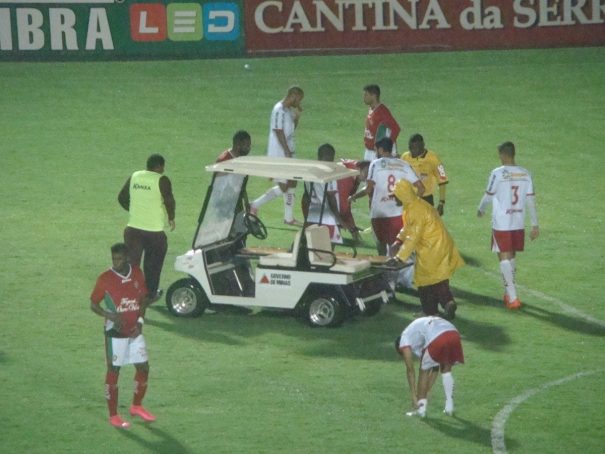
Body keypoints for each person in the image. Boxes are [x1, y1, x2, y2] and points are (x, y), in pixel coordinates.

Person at [90, 243, 155, 429]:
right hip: (115, 332)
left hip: (134, 331)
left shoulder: (137, 273)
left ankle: (136, 406)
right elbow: (93, 304)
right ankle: (114, 415)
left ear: (127, 258)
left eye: (119, 259)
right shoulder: (105, 278)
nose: (115, 262)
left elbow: (143, 300)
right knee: (114, 371)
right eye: (113, 259)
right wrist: (109, 315)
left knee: (143, 368)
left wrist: (140, 323)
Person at [477, 141, 539, 310]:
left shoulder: (498, 173)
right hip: (518, 221)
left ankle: (513, 298)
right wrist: (534, 224)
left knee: (503, 257)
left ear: (503, 155)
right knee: (511, 257)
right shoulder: (525, 173)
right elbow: (530, 200)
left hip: (502, 222)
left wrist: (481, 209)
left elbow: (488, 195)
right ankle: (508, 293)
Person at [390, 179, 464, 319]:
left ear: (402, 195)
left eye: (395, 195)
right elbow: (409, 228)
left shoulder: (415, 210)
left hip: (432, 247)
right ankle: (447, 302)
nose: (393, 198)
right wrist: (398, 240)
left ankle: (429, 311)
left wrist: (400, 257)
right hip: (439, 244)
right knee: (438, 276)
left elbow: (413, 237)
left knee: (423, 279)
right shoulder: (415, 205)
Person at [349, 137, 425, 256]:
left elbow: (369, 188)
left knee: (381, 248)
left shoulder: (376, 164)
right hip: (399, 214)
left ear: (380, 150)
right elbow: (421, 188)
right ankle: (403, 273)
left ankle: (384, 273)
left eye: (376, 150)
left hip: (380, 213)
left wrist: (354, 196)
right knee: (399, 249)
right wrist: (409, 204)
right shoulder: (404, 164)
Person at [118, 154, 176, 302]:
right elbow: (169, 200)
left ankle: (127, 295)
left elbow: (122, 197)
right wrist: (171, 217)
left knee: (132, 265)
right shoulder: (162, 180)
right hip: (154, 233)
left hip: (133, 231)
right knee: (153, 266)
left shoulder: (135, 176)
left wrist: (134, 210)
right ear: (159, 166)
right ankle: (150, 295)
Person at [250, 86, 304, 225]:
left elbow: (290, 131)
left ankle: (289, 217)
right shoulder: (278, 110)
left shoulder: (288, 111)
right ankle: (255, 205)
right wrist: (286, 151)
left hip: (288, 150)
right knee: (285, 185)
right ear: (293, 95)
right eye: (299, 99)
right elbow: (278, 131)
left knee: (292, 181)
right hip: (279, 152)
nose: (299, 102)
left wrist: (297, 118)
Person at [395, 316, 464, 418]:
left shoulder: (404, 338)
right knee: (446, 370)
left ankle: (421, 410)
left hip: (438, 336)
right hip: (453, 333)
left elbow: (410, 370)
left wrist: (414, 397)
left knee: (423, 371)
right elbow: (435, 367)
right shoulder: (418, 339)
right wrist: (425, 391)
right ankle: (449, 407)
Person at [302, 144, 345, 244]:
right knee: (329, 248)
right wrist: (340, 220)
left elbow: (305, 198)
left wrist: (306, 216)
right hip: (327, 218)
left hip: (311, 216)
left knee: (308, 245)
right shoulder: (329, 173)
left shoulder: (309, 172)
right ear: (330, 156)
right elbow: (331, 198)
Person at [401, 133, 448, 215]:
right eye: (410, 148)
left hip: (426, 199)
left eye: (415, 148)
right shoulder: (405, 157)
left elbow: (442, 180)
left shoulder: (433, 158)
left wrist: (441, 203)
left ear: (423, 146)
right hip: (409, 198)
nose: (412, 151)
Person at [362, 84, 401, 161]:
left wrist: (386, 147)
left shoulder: (382, 112)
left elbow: (396, 129)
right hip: (369, 150)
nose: (364, 97)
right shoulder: (371, 108)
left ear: (373, 96)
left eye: (366, 95)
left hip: (378, 153)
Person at [337, 159, 371, 243]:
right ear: (359, 169)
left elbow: (347, 200)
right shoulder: (348, 178)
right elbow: (343, 204)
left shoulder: (355, 172)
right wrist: (352, 227)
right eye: (366, 172)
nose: (368, 176)